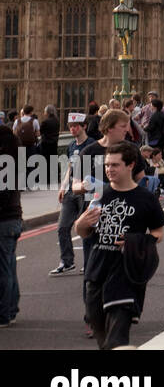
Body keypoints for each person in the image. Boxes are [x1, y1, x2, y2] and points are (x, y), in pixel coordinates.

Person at [75, 142, 164, 349]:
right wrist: (80, 224)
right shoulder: (100, 194)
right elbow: (83, 231)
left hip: (126, 272)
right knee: (101, 335)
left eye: (115, 165)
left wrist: (137, 240)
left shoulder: (145, 198)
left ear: (130, 165)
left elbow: (158, 233)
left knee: (117, 336)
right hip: (97, 269)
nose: (109, 169)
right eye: (107, 165)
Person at [51, 114, 94, 276]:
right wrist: (62, 187)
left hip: (86, 191)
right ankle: (67, 262)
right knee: (62, 227)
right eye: (70, 126)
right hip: (71, 191)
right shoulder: (70, 146)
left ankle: (89, 262)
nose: (72, 128)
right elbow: (69, 168)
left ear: (84, 126)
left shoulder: (92, 145)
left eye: (76, 125)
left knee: (86, 227)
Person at [0, 120, 20, 328]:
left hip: (3, 221)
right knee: (10, 266)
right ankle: (11, 309)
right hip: (14, 219)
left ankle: (3, 314)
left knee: (3, 269)